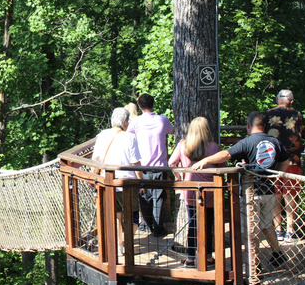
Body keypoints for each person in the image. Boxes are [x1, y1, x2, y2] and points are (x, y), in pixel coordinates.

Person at [192, 111, 290, 268]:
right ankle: (277, 253)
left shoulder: (247, 142)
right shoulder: (274, 142)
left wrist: (205, 160)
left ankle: (253, 263)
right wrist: (276, 176)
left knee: (251, 227)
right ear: (264, 126)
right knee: (267, 224)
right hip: (269, 190)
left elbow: (225, 155)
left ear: (249, 125)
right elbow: (285, 162)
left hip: (252, 192)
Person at [169, 117, 223, 268]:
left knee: (193, 224)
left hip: (190, 190)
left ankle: (191, 258)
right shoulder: (214, 148)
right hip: (211, 192)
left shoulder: (183, 145)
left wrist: (179, 177)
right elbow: (223, 166)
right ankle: (208, 257)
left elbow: (171, 163)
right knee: (208, 224)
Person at [92, 107, 143, 247]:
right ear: (125, 121)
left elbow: (96, 159)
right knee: (132, 216)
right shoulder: (130, 137)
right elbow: (136, 163)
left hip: (107, 182)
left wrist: (92, 177)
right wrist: (141, 182)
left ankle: (119, 245)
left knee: (116, 215)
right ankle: (128, 244)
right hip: (127, 183)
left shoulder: (102, 135)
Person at [127, 94, 174, 237]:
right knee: (158, 197)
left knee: (144, 197)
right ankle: (158, 229)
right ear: (153, 104)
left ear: (140, 106)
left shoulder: (135, 122)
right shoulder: (162, 120)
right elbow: (172, 131)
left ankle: (148, 226)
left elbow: (128, 136)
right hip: (160, 165)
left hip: (142, 166)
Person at [264, 89, 304, 242]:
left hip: (272, 161)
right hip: (292, 159)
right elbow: (302, 132)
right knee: (290, 194)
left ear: (276, 100)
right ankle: (290, 230)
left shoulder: (267, 114)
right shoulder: (296, 114)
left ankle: (278, 230)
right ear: (291, 101)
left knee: (276, 194)